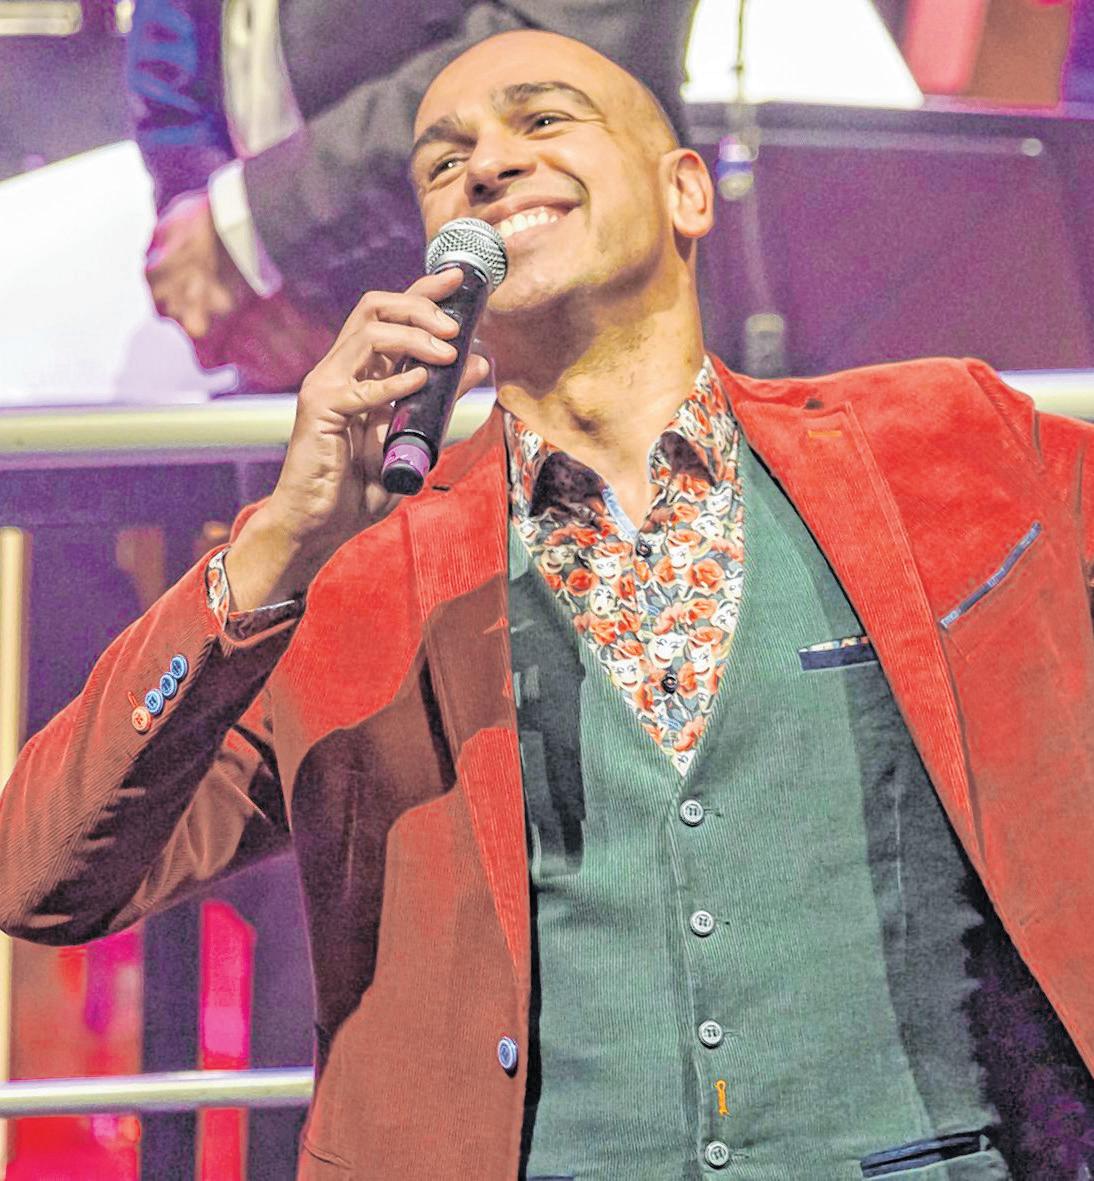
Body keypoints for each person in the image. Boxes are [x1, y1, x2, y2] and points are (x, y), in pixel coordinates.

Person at [5, 27, 1094, 1181]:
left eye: (543, 120)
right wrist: (277, 542)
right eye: (443, 162)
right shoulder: (357, 582)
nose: (487, 163)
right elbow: (43, 873)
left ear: (685, 191)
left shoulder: (943, 440)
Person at [127, 0, 695, 388]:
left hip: (537, 348)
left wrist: (260, 223)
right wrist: (227, 271)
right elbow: (171, 68)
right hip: (285, 358)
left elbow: (579, 32)